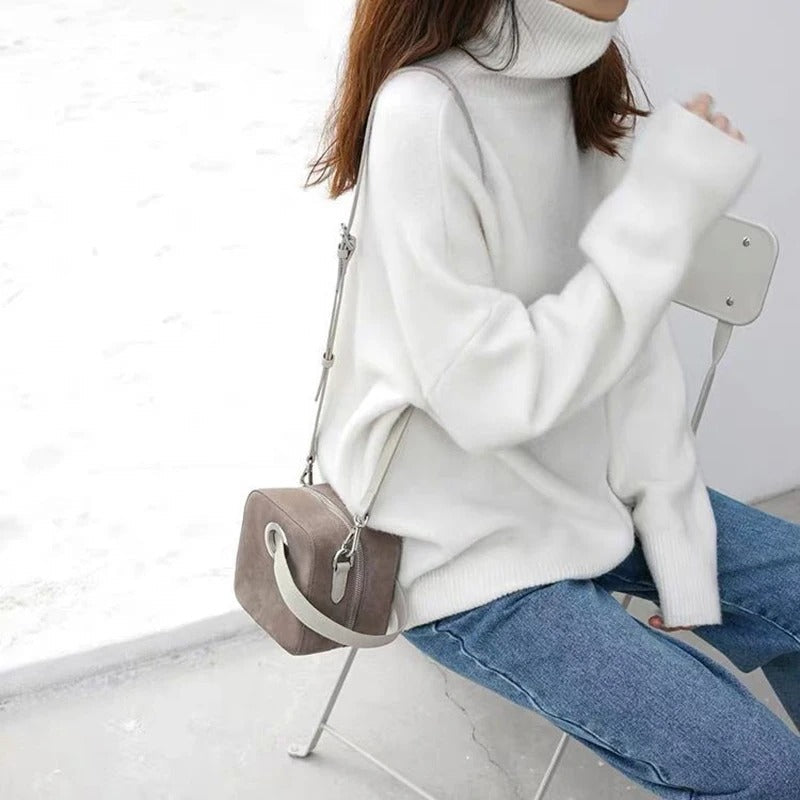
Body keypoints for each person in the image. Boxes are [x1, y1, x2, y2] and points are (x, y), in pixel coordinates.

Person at [305, 0, 800, 795]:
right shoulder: (425, 112)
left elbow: (634, 361)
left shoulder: (584, 82)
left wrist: (681, 554)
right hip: (455, 547)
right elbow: (487, 395)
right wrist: (663, 213)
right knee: (768, 774)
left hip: (586, 499)